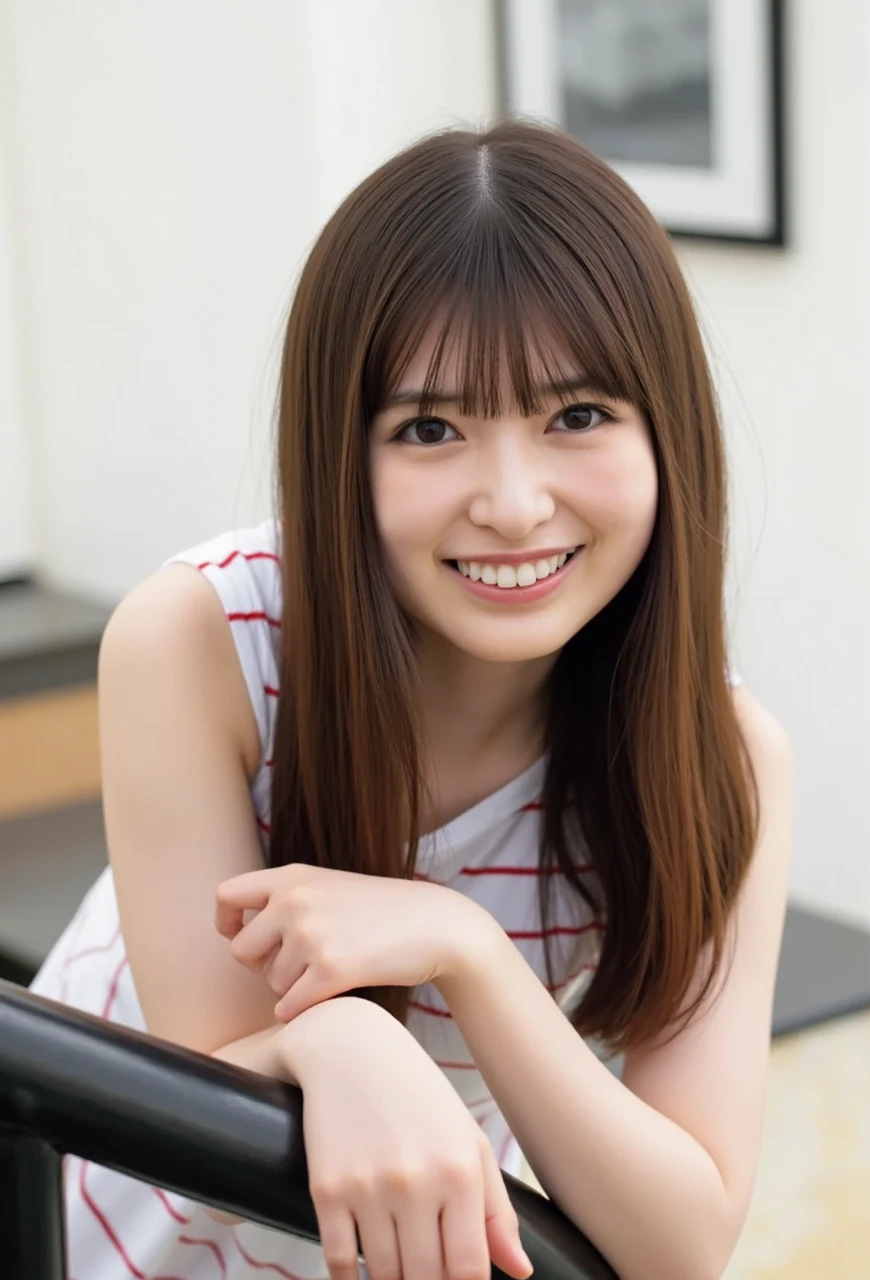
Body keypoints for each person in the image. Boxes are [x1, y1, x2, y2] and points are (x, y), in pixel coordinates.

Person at [30, 119, 793, 1280]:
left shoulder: (721, 757)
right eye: (430, 428)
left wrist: (467, 952)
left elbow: (683, 1240)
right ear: (343, 451)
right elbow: (198, 1122)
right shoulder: (203, 639)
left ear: (668, 431)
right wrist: (331, 1030)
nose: (514, 502)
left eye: (576, 415)